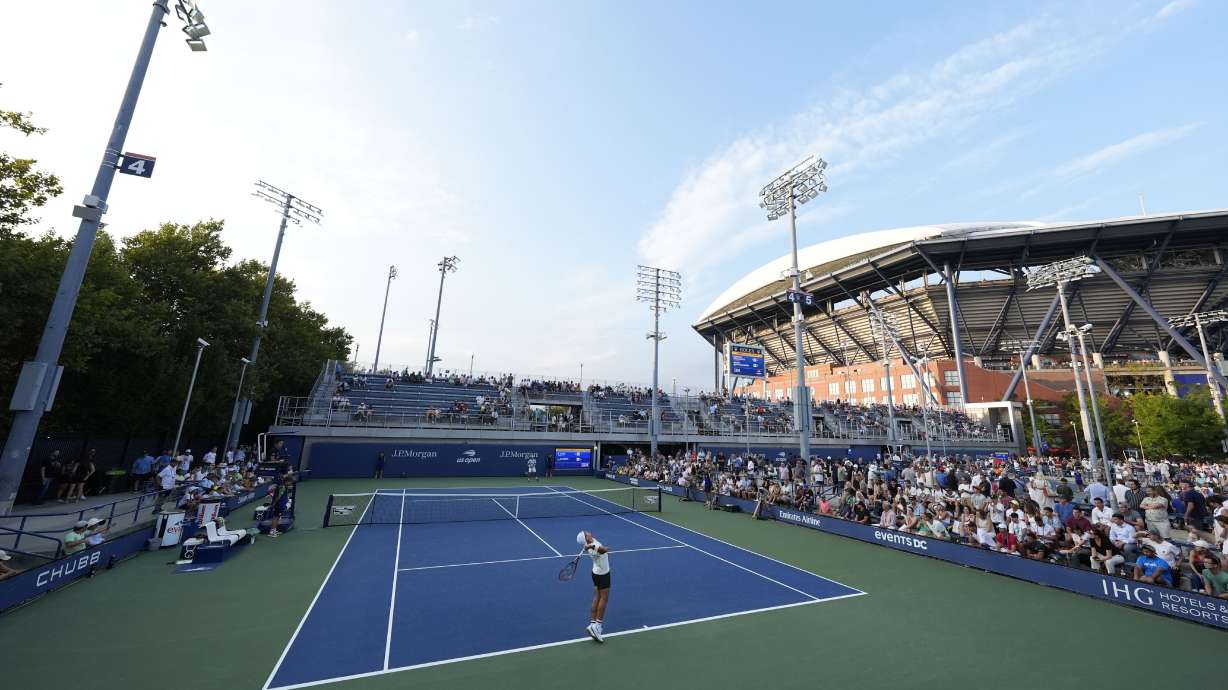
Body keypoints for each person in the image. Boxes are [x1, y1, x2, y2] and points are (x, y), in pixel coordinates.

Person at [577, 530, 611, 642]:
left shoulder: (590, 545)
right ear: (586, 538)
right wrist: (607, 548)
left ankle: (592, 623)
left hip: (595, 572)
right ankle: (598, 626)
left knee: (597, 597)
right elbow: (603, 550)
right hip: (603, 574)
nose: (589, 532)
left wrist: (589, 545)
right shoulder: (594, 546)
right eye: (586, 533)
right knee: (604, 599)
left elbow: (595, 547)